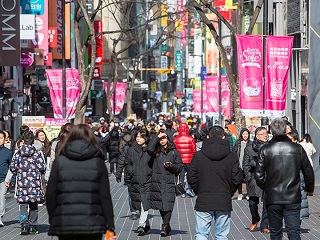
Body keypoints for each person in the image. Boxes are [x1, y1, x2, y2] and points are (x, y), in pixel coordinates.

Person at [46, 124, 115, 240]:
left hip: (65, 222)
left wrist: (53, 217)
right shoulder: (98, 161)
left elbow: (50, 193)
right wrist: (110, 225)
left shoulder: (60, 161)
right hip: (93, 222)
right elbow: (105, 196)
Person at [255, 118, 315, 240]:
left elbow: (259, 174)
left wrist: (267, 187)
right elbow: (308, 171)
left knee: (275, 233)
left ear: (271, 131)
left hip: (273, 196)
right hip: (292, 195)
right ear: (286, 130)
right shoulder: (297, 148)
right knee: (293, 231)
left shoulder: (265, 149)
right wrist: (309, 189)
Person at [187, 126, 242, 240]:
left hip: (204, 199)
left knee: (201, 234)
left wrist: (199, 190)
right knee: (221, 235)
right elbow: (237, 179)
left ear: (208, 137)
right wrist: (228, 192)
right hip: (223, 199)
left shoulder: (198, 156)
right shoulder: (231, 157)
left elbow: (191, 177)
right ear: (223, 137)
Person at [9, 131, 46, 235]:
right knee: (34, 205)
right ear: (33, 140)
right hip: (34, 185)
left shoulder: (18, 153)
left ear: (23, 140)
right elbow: (42, 167)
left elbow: (12, 167)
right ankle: (33, 225)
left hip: (22, 184)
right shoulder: (37, 153)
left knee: (23, 205)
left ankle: (24, 226)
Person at [147, 130, 183, 236]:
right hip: (157, 182)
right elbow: (149, 148)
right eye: (160, 139)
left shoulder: (174, 152)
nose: (162, 141)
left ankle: (165, 225)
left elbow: (180, 167)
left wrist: (171, 166)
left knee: (168, 204)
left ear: (168, 138)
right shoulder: (156, 152)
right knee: (161, 205)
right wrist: (156, 137)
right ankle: (167, 225)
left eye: (164, 138)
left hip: (169, 182)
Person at [124, 129, 153, 236]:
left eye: (141, 137)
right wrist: (132, 171)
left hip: (147, 180)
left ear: (146, 138)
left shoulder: (150, 150)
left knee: (144, 202)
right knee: (138, 204)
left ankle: (141, 225)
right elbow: (127, 163)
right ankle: (146, 224)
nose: (138, 138)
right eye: (137, 136)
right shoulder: (131, 150)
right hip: (135, 180)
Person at [243, 127, 269, 233]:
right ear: (257, 136)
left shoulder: (270, 147)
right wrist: (248, 176)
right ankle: (255, 219)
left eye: (266, 133)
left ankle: (264, 225)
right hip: (253, 178)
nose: (265, 135)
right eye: (262, 133)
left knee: (267, 203)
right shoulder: (249, 148)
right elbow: (245, 164)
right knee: (252, 203)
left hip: (268, 178)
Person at [174, 122, 196, 198]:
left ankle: (182, 191)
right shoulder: (190, 139)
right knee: (190, 175)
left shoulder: (176, 139)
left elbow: (174, 151)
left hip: (180, 160)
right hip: (189, 160)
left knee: (181, 176)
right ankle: (189, 189)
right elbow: (194, 150)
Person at [233, 128, 251, 200]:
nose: (245, 135)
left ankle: (248, 194)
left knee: (248, 180)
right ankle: (240, 193)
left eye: (246, 134)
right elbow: (234, 152)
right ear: (241, 135)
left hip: (247, 165)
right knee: (239, 180)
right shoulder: (238, 143)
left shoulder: (251, 143)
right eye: (244, 134)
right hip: (239, 164)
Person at [0, 130, 13, 227]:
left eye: (1, 138)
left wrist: (10, 180)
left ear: (4, 139)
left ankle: (0, 217)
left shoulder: (8, 152)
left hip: (3, 179)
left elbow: (12, 167)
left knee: (2, 198)